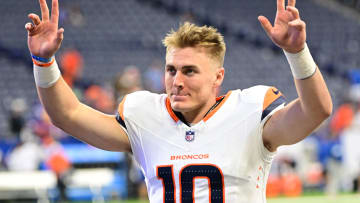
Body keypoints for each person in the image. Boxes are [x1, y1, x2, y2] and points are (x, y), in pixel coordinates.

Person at [25, 0, 332, 202]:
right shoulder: (145, 115)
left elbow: (316, 110)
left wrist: (297, 54)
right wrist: (43, 62)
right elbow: (66, 114)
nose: (177, 80)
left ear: (218, 76)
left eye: (190, 71)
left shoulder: (250, 110)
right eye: (171, 69)